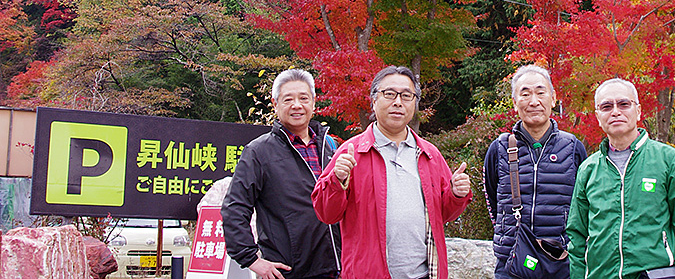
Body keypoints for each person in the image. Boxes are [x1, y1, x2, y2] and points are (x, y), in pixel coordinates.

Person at [312, 65, 472, 279]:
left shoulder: (429, 154)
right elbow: (326, 214)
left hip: (425, 273)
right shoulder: (352, 152)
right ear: (374, 100)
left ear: (414, 103)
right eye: (389, 94)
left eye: (407, 95)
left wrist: (456, 194)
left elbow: (443, 215)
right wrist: (336, 180)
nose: (398, 102)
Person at [567, 78, 675, 279]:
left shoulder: (669, 160)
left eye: (624, 104)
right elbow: (577, 236)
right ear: (598, 116)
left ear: (638, 111)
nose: (615, 111)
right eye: (607, 106)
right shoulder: (588, 169)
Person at [222, 69, 341, 279]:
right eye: (288, 99)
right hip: (289, 272)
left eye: (304, 98)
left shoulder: (330, 148)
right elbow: (235, 209)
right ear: (275, 104)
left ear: (313, 102)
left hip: (337, 267)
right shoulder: (258, 152)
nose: (297, 105)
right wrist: (252, 260)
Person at [483, 65, 588, 278]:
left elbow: (583, 205)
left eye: (541, 93)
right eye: (525, 94)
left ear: (553, 98)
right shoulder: (500, 148)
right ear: (514, 102)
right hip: (512, 262)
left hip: (561, 261)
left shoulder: (572, 147)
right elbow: (494, 201)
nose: (534, 101)